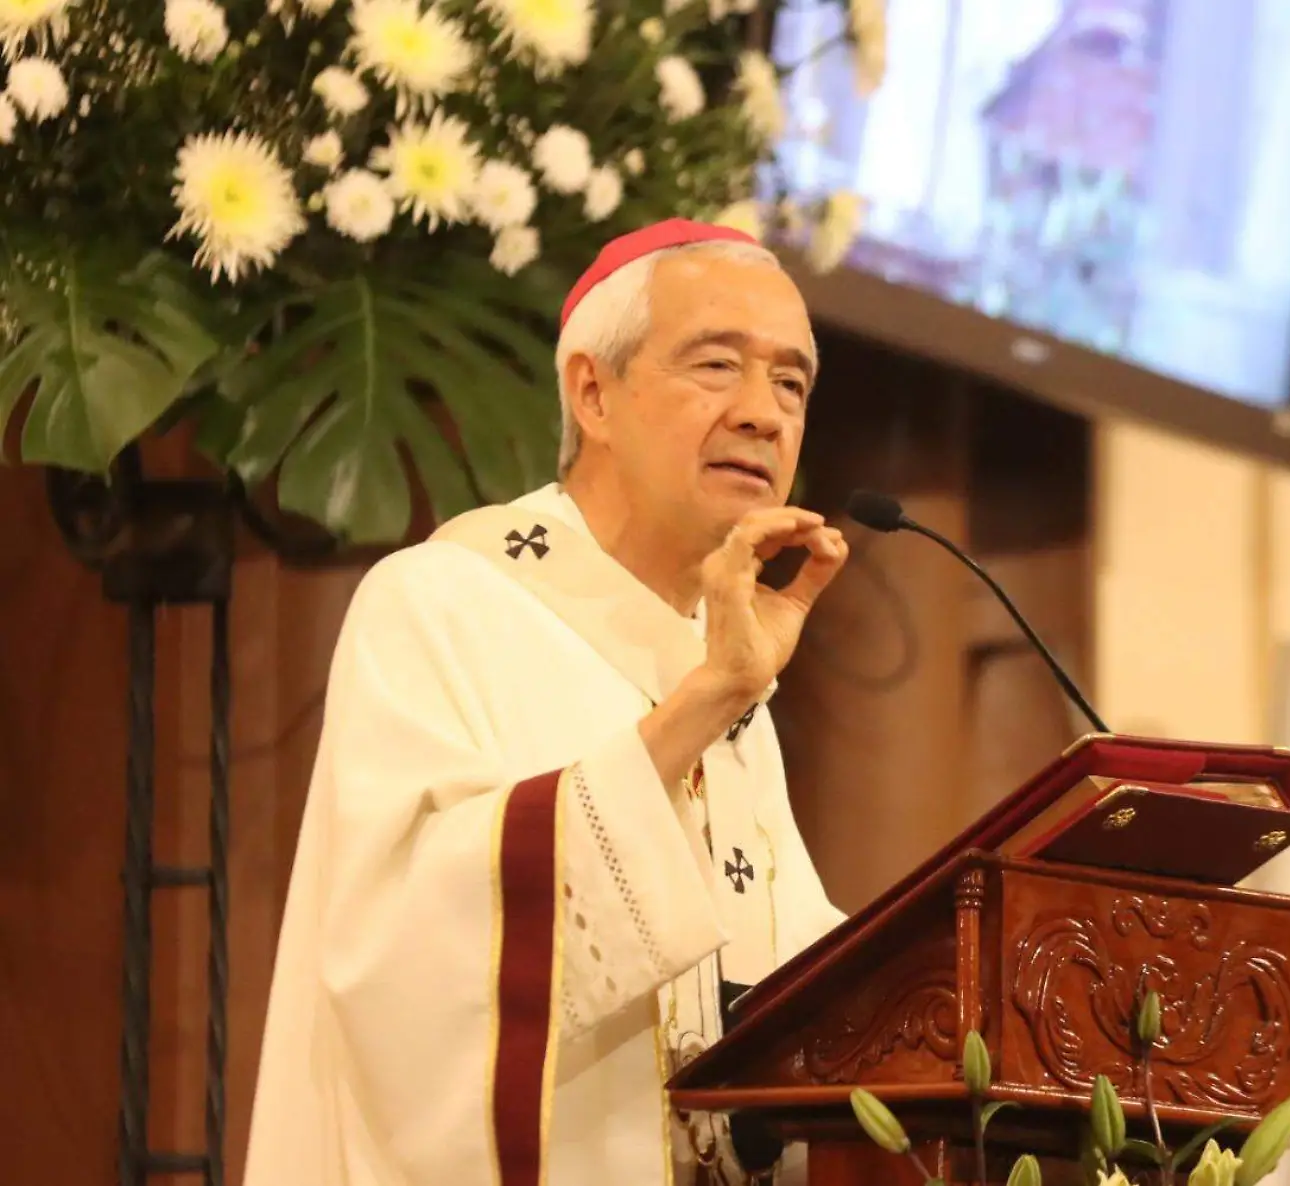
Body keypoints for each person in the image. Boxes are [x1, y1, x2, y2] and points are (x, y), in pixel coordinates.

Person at [245, 219, 851, 1186]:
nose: (764, 414)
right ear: (593, 392)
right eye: (716, 365)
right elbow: (396, 957)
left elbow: (799, 977)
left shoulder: (725, 662)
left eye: (791, 383)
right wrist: (708, 700)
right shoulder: (442, 602)